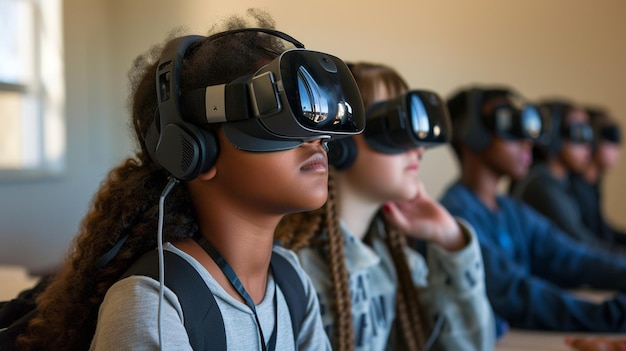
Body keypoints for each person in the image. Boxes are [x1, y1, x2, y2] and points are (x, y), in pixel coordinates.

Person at [14, 10, 366, 350]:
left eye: (314, 125)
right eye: (277, 118)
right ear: (194, 150)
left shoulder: (290, 279)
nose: (315, 141)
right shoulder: (155, 304)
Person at [275, 62, 496, 351]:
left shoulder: (399, 263)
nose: (419, 149)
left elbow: (472, 346)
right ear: (341, 141)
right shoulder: (295, 269)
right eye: (396, 126)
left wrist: (452, 241)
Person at [439, 85, 626, 335]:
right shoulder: (455, 215)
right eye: (510, 126)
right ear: (471, 134)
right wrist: (610, 317)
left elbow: (575, 257)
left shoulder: (511, 210)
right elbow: (513, 293)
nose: (527, 142)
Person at [510, 99, 615, 250]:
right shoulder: (540, 185)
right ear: (554, 134)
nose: (588, 144)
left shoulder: (565, 182)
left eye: (589, 132)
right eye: (579, 132)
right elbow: (583, 246)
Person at [568, 107, 626, 249]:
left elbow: (603, 230)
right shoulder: (570, 185)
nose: (616, 148)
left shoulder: (593, 182)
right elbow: (583, 241)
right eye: (609, 137)